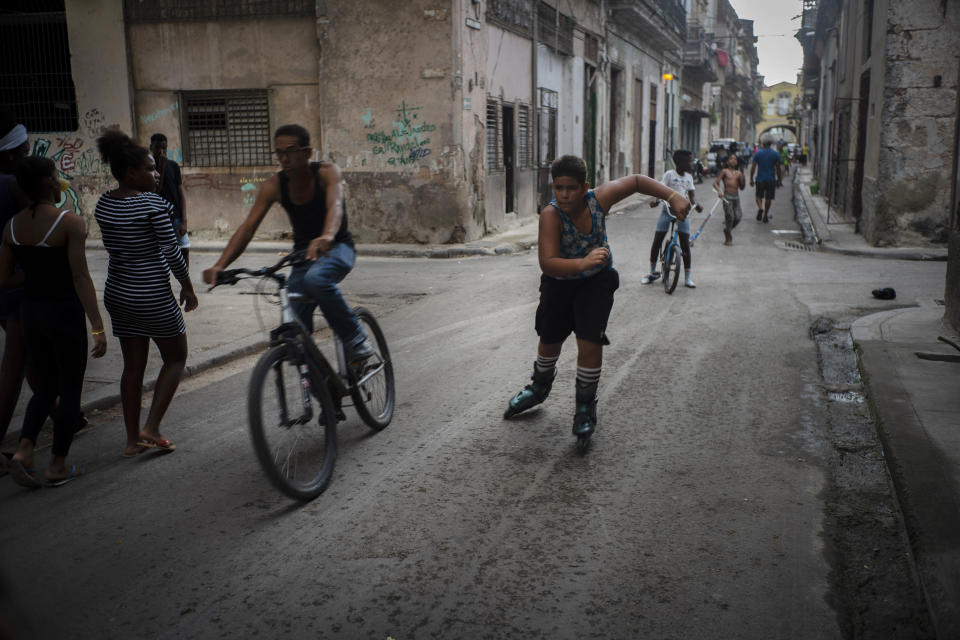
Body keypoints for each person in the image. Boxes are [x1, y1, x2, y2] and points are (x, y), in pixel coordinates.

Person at [502, 155, 691, 440]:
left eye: (571, 188)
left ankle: (584, 407)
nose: (564, 195)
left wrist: (673, 195)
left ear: (585, 187)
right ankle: (539, 386)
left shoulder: (599, 200)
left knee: (590, 339)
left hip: (597, 281)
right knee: (550, 338)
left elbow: (638, 181)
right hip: (558, 282)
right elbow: (548, 262)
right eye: (558, 188)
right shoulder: (551, 215)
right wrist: (582, 262)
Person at [201, 124, 373, 363]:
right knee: (294, 337)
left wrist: (327, 236)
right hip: (303, 256)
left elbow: (335, 206)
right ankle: (323, 391)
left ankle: (355, 337)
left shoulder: (326, 172)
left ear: (307, 152)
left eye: (290, 151)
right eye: (279, 153)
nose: (284, 158)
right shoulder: (274, 186)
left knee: (317, 280)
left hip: (338, 247)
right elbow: (248, 228)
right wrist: (220, 265)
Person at [0, 156, 107, 487]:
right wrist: (97, 326)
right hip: (63, 313)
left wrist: (34, 275)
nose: (60, 181)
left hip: (31, 313)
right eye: (57, 176)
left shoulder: (12, 226)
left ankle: (24, 450)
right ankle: (57, 464)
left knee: (44, 386)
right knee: (70, 386)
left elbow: (3, 278)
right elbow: (80, 277)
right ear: (48, 182)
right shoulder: (70, 223)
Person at [94, 129, 198, 457]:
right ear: (131, 173)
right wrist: (188, 287)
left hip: (119, 296)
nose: (157, 174)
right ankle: (151, 427)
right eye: (151, 169)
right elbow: (171, 251)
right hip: (152, 294)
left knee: (132, 367)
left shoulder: (104, 204)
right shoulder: (154, 204)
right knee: (176, 357)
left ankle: (130, 441)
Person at [640, 149, 703, 288]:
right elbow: (659, 189)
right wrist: (656, 200)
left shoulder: (689, 178)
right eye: (690, 161)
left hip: (683, 213)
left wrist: (696, 204)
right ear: (680, 163)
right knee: (657, 240)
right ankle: (652, 272)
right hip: (667, 211)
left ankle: (687, 277)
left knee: (685, 244)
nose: (692, 164)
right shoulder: (669, 174)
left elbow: (692, 197)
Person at [150, 133, 190, 267]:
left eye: (164, 148)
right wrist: (160, 167)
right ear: (151, 147)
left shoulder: (173, 166)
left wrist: (184, 220)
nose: (161, 151)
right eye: (157, 148)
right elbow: (155, 192)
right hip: (159, 218)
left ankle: (186, 285)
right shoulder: (148, 168)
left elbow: (181, 193)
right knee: (161, 254)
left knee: (184, 249)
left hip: (176, 217)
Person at [712, 153, 745, 245]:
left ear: (737, 162)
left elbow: (742, 187)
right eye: (731, 158)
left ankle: (727, 230)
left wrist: (742, 176)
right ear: (727, 161)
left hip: (736, 197)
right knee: (730, 216)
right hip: (727, 197)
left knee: (738, 217)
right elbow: (715, 183)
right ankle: (728, 238)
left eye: (735, 159)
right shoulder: (724, 171)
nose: (733, 160)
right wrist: (719, 191)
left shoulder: (739, 173)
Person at [750, 136, 781, 223]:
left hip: (760, 179)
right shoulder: (775, 154)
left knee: (758, 197)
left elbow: (753, 167)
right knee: (768, 198)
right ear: (770, 144)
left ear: (763, 143)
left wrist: (751, 178)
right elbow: (778, 168)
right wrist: (779, 179)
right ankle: (765, 216)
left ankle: (760, 208)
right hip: (771, 179)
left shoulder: (758, 153)